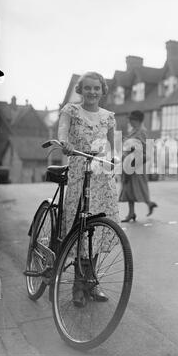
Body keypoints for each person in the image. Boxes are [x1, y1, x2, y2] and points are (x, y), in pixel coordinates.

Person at [58, 71, 119, 306]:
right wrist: (66, 142)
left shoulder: (108, 117)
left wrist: (115, 158)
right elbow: (63, 131)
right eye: (88, 88)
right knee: (80, 228)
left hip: (102, 178)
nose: (92, 92)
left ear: (103, 91)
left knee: (97, 229)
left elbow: (114, 145)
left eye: (97, 88)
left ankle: (91, 282)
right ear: (81, 90)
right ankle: (78, 284)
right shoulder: (71, 111)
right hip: (79, 172)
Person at [119, 110, 157, 222]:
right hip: (129, 164)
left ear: (138, 121)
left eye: (132, 120)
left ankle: (148, 204)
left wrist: (132, 149)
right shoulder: (134, 131)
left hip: (136, 166)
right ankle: (131, 213)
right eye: (130, 120)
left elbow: (144, 150)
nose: (130, 122)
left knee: (137, 188)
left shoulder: (141, 132)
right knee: (128, 188)